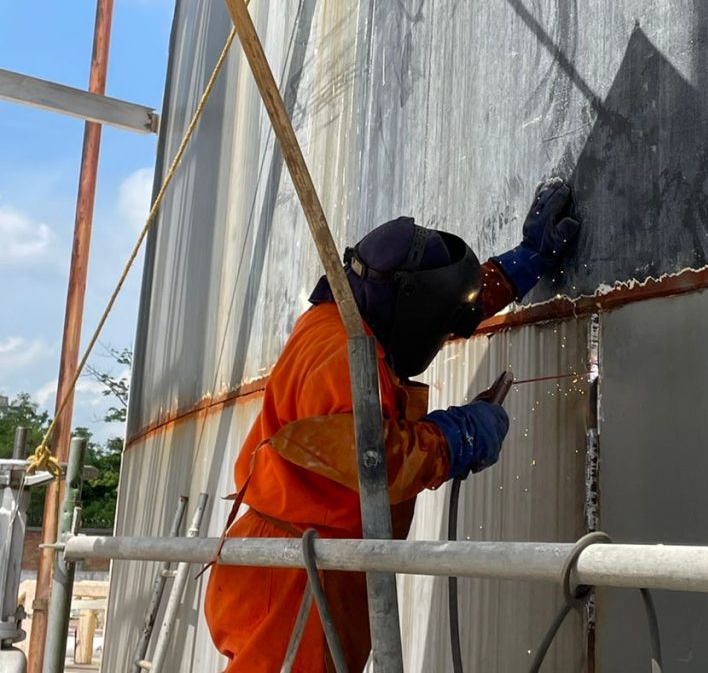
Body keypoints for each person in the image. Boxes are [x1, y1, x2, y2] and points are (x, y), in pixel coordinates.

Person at [204, 179, 580, 672]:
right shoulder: (344, 357)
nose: (441, 333)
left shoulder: (347, 318)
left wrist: (523, 263)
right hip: (297, 574)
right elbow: (374, 461)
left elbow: (439, 312)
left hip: (298, 556)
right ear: (406, 301)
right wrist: (456, 438)